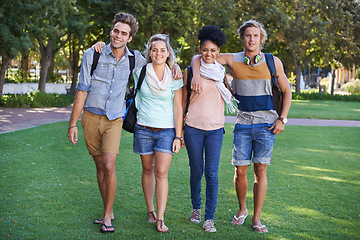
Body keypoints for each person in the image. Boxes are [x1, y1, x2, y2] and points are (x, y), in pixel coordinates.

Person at [67, 13, 181, 233]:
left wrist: (174, 66)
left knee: (109, 165)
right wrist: (73, 123)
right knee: (100, 166)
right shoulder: (94, 53)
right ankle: (107, 209)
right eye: (116, 31)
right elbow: (82, 90)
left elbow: (160, 60)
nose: (118, 36)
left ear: (130, 38)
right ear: (111, 31)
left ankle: (107, 215)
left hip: (115, 118)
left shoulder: (134, 59)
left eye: (124, 33)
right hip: (91, 116)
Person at [191, 20, 292, 233]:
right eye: (247, 35)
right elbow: (201, 56)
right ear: (242, 37)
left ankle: (256, 218)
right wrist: (196, 73)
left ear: (261, 39)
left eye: (256, 35)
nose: (251, 39)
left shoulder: (274, 62)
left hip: (267, 124)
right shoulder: (233, 59)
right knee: (240, 170)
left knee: (260, 170)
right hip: (243, 124)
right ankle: (242, 209)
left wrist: (282, 119)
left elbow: (287, 91)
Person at [182, 25, 232, 233]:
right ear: (199, 50)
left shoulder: (221, 74)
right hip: (192, 127)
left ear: (218, 51)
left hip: (214, 130)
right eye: (204, 50)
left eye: (213, 50)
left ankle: (209, 218)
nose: (208, 54)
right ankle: (196, 208)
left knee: (212, 174)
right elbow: (182, 102)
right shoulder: (190, 71)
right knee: (196, 171)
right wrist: (180, 131)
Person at [132, 34, 183, 232]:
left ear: (168, 53)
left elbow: (178, 108)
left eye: (162, 50)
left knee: (161, 173)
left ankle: (161, 217)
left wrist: (178, 136)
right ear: (150, 52)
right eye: (155, 50)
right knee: (147, 170)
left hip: (166, 131)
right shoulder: (140, 72)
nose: (158, 53)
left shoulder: (175, 75)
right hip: (143, 128)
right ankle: (150, 210)